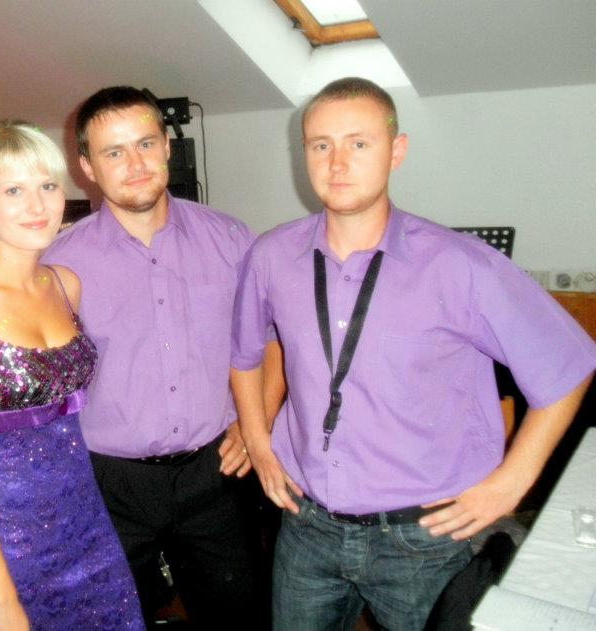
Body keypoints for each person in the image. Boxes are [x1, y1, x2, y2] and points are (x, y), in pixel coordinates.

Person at [230, 76, 596, 631]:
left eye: (359, 143)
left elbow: (568, 366)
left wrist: (512, 481)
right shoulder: (271, 256)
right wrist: (258, 443)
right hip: (306, 527)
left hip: (423, 539)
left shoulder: (462, 265)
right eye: (321, 145)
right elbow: (245, 356)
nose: (337, 163)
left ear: (396, 151)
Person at [42, 86, 279, 630]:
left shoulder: (232, 239)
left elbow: (272, 340)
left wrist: (256, 422)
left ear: (168, 146)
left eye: (146, 143)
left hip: (216, 471)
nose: (135, 164)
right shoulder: (59, 264)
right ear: (87, 167)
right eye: (114, 152)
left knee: (240, 616)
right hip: (110, 485)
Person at [0, 119, 145, 631]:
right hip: (5, 548)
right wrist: (2, 600)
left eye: (47, 186)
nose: (37, 205)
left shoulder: (66, 285)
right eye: (14, 190)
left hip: (87, 528)